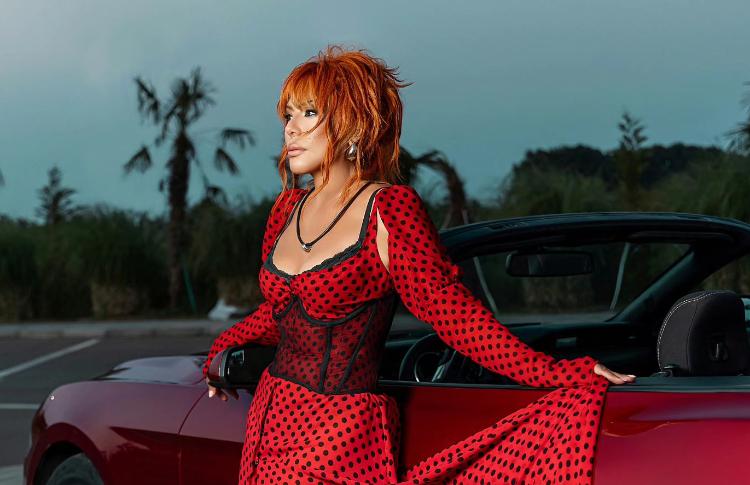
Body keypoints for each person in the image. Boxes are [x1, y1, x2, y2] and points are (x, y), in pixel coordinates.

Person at [203, 45, 635, 485]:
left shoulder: (389, 209)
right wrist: (222, 350)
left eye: (309, 113)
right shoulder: (285, 209)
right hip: (269, 422)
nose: (290, 129)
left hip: (338, 437)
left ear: (355, 121)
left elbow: (453, 315)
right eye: (288, 115)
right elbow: (281, 315)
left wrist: (555, 372)